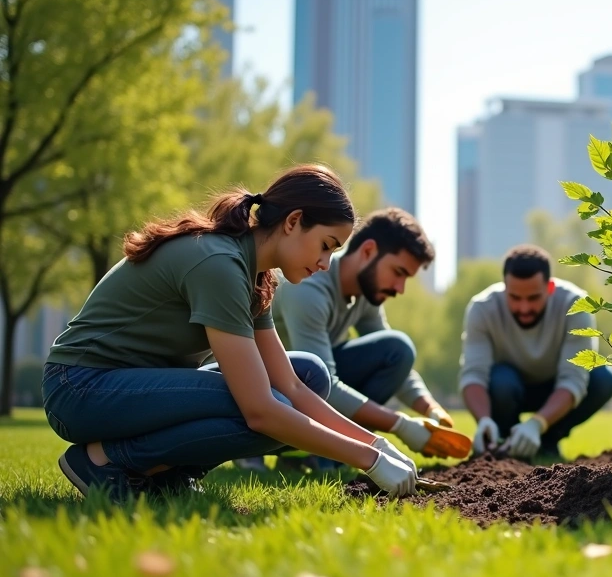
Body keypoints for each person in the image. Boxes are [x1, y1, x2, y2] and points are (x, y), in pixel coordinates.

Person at [41, 165, 420, 502]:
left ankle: (169, 474)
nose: (325, 264)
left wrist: (376, 443)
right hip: (79, 386)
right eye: (325, 246)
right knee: (267, 411)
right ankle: (105, 461)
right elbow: (260, 409)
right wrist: (368, 461)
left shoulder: (257, 275)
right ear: (293, 221)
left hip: (130, 388)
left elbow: (292, 386)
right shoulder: (219, 264)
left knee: (311, 374)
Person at [266, 207, 471, 468]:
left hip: (308, 388)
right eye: (398, 272)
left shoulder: (365, 294)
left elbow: (397, 359)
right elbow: (321, 387)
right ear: (367, 251)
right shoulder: (309, 287)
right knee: (331, 371)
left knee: (397, 351)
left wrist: (431, 410)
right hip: (276, 395)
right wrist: (400, 424)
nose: (400, 288)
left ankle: (320, 454)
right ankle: (309, 451)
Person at [458, 245, 612, 460]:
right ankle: (503, 439)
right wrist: (484, 419)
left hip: (556, 388)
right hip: (507, 388)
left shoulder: (577, 305)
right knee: (501, 381)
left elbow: (573, 380)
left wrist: (537, 423)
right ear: (504, 287)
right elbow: (473, 375)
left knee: (603, 378)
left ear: (550, 288)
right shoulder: (482, 308)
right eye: (515, 297)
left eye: (533, 298)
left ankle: (547, 440)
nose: (524, 308)